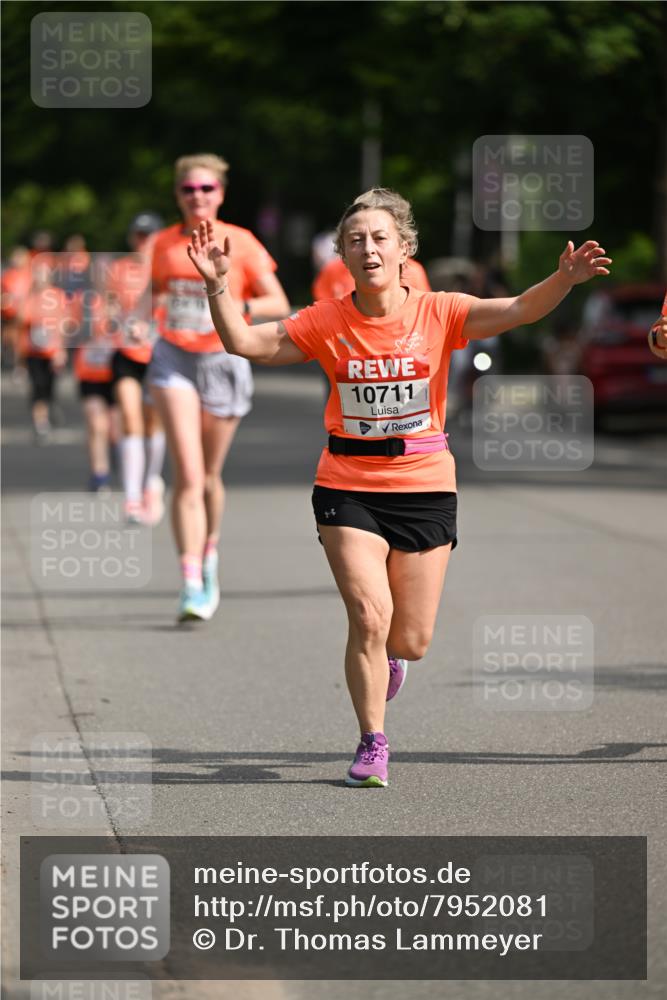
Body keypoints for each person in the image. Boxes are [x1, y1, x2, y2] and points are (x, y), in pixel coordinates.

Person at [188, 187, 612, 788]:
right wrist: (217, 285)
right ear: (342, 254)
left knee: (409, 639)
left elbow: (517, 309)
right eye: (355, 240)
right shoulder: (325, 320)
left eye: (380, 238)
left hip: (424, 484)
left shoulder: (440, 312)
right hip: (347, 483)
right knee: (368, 613)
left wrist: (562, 280)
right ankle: (372, 741)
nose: (368, 249)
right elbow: (246, 343)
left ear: (404, 248)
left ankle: (390, 659)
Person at [147, 153, 290, 622]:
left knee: (209, 476)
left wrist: (226, 291)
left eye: (207, 188)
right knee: (187, 475)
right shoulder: (161, 245)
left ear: (221, 194)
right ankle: (190, 582)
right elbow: (144, 299)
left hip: (225, 359)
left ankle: (209, 555)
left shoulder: (242, 242)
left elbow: (278, 301)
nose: (198, 196)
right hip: (174, 358)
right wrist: (137, 323)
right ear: (177, 194)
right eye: (189, 189)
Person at [107, 212, 166, 524]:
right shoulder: (118, 269)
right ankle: (131, 498)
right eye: (139, 235)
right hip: (127, 351)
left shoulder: (167, 267)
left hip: (159, 353)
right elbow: (110, 305)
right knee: (130, 419)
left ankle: (150, 483)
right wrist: (120, 321)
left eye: (150, 234)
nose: (144, 241)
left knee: (153, 423)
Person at [17, 258, 69, 442]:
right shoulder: (30, 297)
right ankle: (41, 422)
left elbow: (64, 324)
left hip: (52, 352)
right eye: (37, 274)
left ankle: (49, 407)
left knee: (49, 386)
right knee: (37, 386)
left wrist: (61, 350)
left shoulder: (57, 296)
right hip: (33, 352)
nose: (40, 278)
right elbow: (21, 322)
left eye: (43, 274)